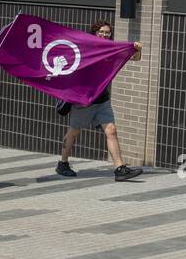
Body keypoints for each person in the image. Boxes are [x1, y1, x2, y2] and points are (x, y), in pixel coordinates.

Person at [56, 21, 144, 181]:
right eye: (101, 32)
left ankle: (120, 169)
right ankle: (63, 163)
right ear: (94, 33)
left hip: (102, 100)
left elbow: (135, 58)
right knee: (73, 132)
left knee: (111, 130)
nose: (104, 35)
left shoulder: (111, 50)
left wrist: (138, 49)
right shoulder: (86, 48)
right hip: (84, 100)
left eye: (107, 32)